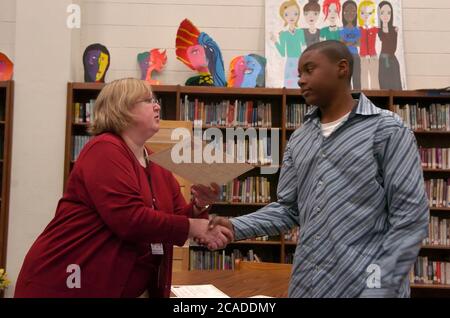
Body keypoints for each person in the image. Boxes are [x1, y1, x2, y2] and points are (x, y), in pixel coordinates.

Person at [205, 41, 429, 298]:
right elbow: (288, 209)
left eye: (309, 70)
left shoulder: (387, 130)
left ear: (342, 68)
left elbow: (410, 218)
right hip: (309, 286)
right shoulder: (299, 138)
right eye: (299, 73)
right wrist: (235, 227)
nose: (301, 80)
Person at [14, 78, 232, 298]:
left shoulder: (154, 162)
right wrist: (195, 227)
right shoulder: (104, 149)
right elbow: (130, 220)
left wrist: (197, 206)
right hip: (67, 282)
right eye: (147, 101)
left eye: (155, 100)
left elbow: (173, 217)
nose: (157, 105)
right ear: (122, 109)